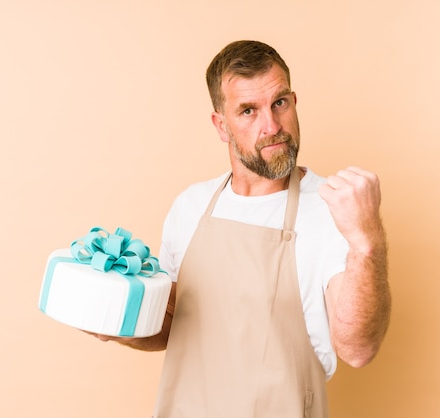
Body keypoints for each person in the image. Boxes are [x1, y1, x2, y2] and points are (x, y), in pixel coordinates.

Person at [89, 40, 391, 417]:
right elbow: (167, 330)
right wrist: (115, 324)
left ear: (294, 102)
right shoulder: (191, 206)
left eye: (279, 102)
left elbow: (358, 349)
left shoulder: (332, 209)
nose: (272, 126)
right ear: (222, 126)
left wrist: (367, 243)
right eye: (249, 111)